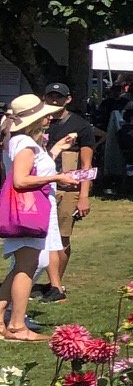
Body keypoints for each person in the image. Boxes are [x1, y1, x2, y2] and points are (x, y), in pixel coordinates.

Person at [4, 95, 81, 341]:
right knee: (28, 266)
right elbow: (21, 179)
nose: (49, 117)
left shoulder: (18, 140)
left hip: (30, 210)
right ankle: (17, 325)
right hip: (29, 211)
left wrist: (57, 148)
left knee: (24, 265)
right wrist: (58, 178)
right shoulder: (25, 143)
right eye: (44, 114)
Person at [39, 85, 95, 303]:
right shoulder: (39, 123)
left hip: (68, 188)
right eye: (51, 96)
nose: (54, 100)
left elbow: (86, 164)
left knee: (62, 237)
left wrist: (83, 195)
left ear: (68, 99)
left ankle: (56, 285)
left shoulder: (80, 125)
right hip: (43, 185)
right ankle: (49, 283)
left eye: (59, 96)